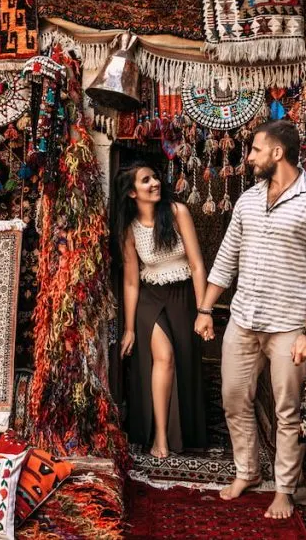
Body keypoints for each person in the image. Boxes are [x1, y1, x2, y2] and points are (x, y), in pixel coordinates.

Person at [194, 120, 306, 518]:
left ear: (277, 153)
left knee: (286, 411)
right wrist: (206, 308)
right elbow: (226, 258)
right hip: (244, 319)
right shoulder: (247, 200)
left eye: (255, 150)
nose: (249, 157)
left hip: (289, 326)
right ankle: (247, 470)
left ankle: (284, 489)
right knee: (233, 399)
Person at [113, 161, 209, 459]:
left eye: (155, 177)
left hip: (183, 297)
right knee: (163, 358)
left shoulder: (178, 212)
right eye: (145, 180)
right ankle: (160, 437)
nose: (154, 183)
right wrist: (129, 327)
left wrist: (204, 310)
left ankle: (181, 434)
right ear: (131, 193)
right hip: (149, 299)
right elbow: (130, 282)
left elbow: (196, 264)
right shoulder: (129, 230)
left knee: (182, 360)